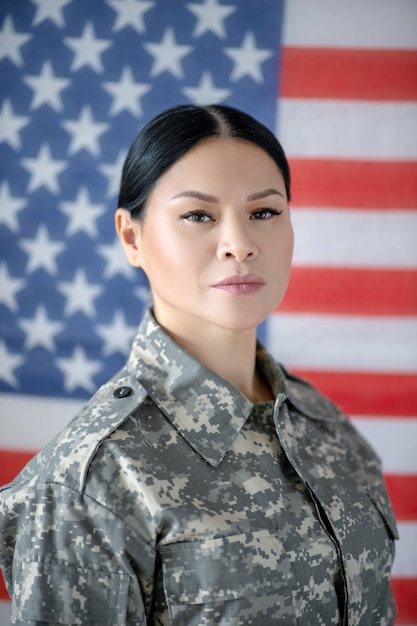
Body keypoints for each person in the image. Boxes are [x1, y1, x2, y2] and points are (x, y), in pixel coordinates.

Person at [0, 104, 398, 625]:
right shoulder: (90, 482)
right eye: (198, 216)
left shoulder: (323, 424)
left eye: (263, 212)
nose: (240, 245)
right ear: (131, 237)